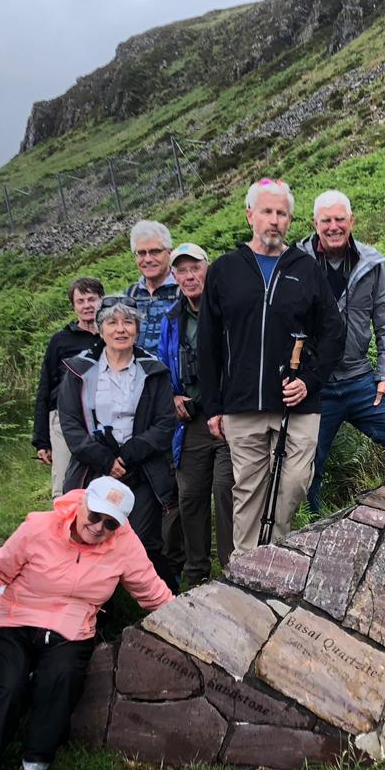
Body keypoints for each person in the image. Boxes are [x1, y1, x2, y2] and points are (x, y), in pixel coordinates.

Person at [0, 477, 173, 770]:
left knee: (60, 679)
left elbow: (152, 592)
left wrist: (188, 622)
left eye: (111, 523)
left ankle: (33, 768)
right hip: (16, 618)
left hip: (72, 628)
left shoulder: (125, 545)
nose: (99, 526)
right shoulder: (39, 527)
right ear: (82, 503)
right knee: (6, 686)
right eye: (96, 515)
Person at [198, 178, 344, 556]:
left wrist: (309, 382)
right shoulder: (225, 270)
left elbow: (333, 334)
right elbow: (209, 343)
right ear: (250, 215)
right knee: (248, 489)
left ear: (291, 219)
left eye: (282, 213)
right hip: (242, 403)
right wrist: (213, 406)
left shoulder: (306, 269)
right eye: (267, 211)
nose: (274, 220)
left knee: (295, 481)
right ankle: (245, 566)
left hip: (298, 403)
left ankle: (273, 552)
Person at [297, 190, 385, 513]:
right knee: (306, 463)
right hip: (315, 385)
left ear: (351, 221)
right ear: (315, 223)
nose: (333, 226)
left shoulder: (371, 264)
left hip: (360, 379)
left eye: (339, 219)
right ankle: (309, 526)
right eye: (326, 220)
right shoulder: (295, 263)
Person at [58, 298, 178, 589]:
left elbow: (165, 422)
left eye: (128, 322)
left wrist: (132, 453)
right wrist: (104, 459)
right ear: (100, 329)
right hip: (94, 467)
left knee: (141, 540)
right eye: (112, 322)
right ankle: (92, 602)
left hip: (142, 469)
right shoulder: (79, 371)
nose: (120, 329)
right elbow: (71, 423)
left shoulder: (154, 371)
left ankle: (159, 600)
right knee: (88, 533)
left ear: (137, 328)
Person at [156, 243, 234, 586]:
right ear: (174, 276)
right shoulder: (171, 320)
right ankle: (197, 576)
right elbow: (162, 365)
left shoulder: (228, 309)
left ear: (209, 269)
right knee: (190, 497)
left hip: (231, 418)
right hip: (190, 424)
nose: (189, 276)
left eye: (195, 268)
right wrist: (172, 396)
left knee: (226, 491)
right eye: (182, 270)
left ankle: (235, 571)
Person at [32, 275, 104, 497]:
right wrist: (41, 440)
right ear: (73, 307)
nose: (87, 306)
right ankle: (63, 531)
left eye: (92, 299)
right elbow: (45, 387)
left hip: (102, 418)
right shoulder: (60, 340)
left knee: (100, 487)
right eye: (80, 301)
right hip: (62, 419)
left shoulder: (111, 335)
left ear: (102, 300)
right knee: (64, 489)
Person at [124, 220, 179, 356]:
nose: (147, 259)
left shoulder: (183, 290)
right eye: (141, 253)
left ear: (169, 253)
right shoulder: (130, 295)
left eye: (155, 252)